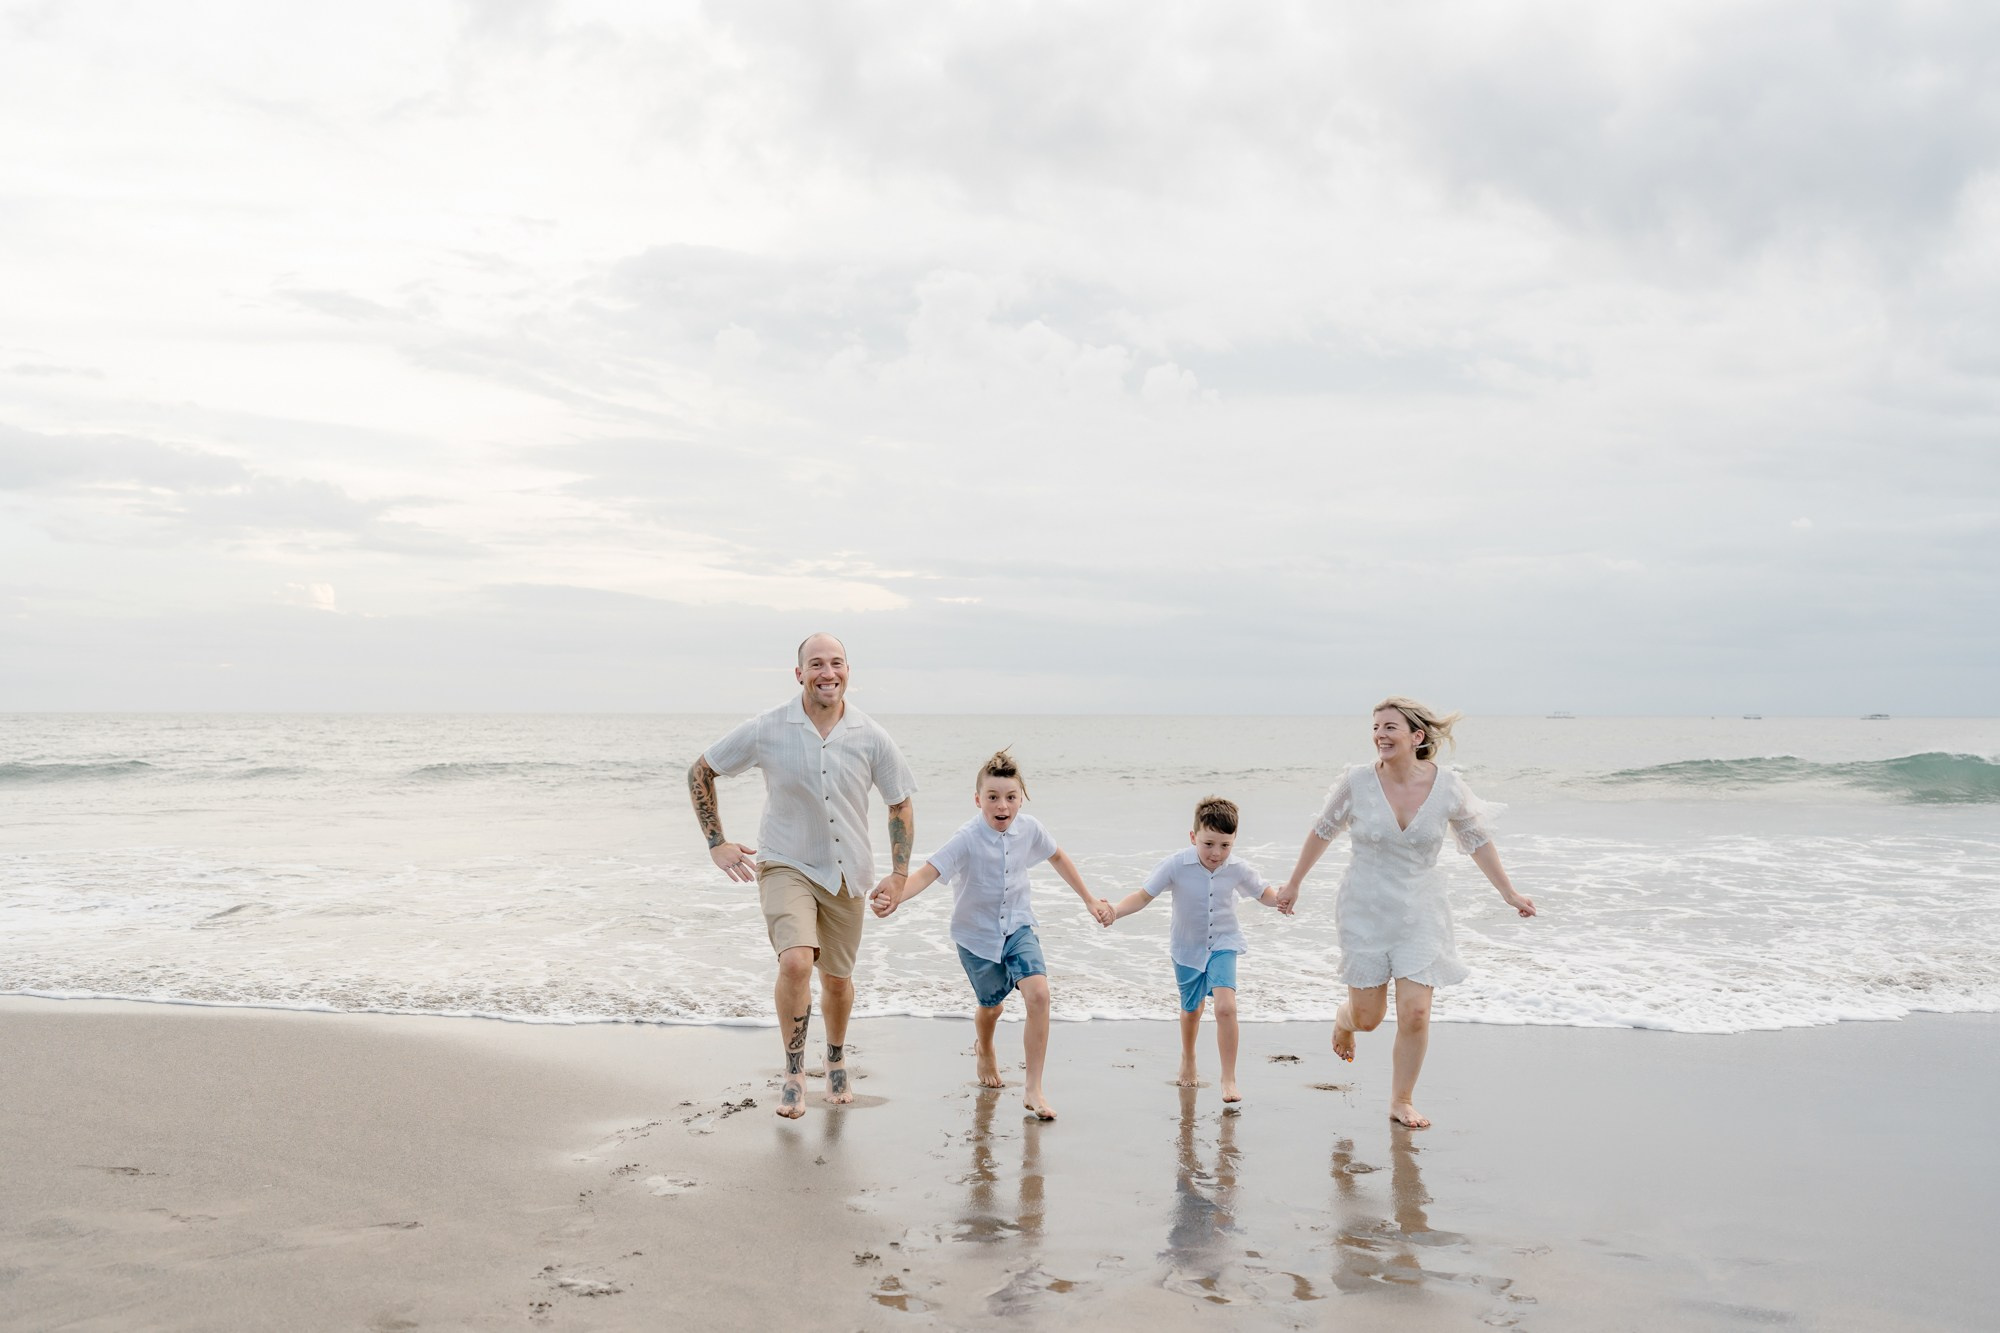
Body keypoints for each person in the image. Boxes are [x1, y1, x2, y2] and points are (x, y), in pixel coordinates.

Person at [1273, 697, 1536, 1128]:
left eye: (1390, 727)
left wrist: (1508, 892)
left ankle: (1401, 1099)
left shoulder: (1447, 785)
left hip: (1421, 911)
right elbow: (1322, 830)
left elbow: (1476, 840)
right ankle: (1344, 1020)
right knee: (1369, 1018)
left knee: (1415, 1011)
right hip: (1364, 909)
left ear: (1416, 737)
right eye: (1376, 727)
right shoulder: (1356, 781)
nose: (1379, 734)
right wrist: (1295, 883)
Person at [686, 633, 916, 1119]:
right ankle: (793, 1071)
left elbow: (899, 801)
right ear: (799, 674)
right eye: (816, 664)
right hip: (784, 862)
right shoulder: (769, 727)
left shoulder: (871, 735)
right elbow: (701, 771)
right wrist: (716, 842)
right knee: (795, 962)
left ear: (848, 672)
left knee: (836, 980)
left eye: (836, 663)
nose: (826, 672)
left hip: (847, 873)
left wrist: (899, 874)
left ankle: (834, 1058)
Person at [872, 749, 1114, 1120]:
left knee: (1039, 995)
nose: (1002, 805)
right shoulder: (966, 838)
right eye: (993, 797)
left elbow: (1058, 857)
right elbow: (927, 873)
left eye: (1011, 797)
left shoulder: (1030, 828)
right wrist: (896, 898)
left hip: (1018, 927)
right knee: (992, 1007)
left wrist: (1088, 899)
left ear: (1021, 798)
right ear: (978, 800)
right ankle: (984, 1047)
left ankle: (1033, 1089)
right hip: (976, 936)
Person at [1109, 797, 1281, 1103]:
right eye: (1209, 844)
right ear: (1193, 837)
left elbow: (1265, 894)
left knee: (1226, 1007)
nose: (1217, 853)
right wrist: (1115, 912)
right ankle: (1188, 1057)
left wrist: (1282, 899)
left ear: (1234, 842)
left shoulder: (1238, 869)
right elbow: (1142, 896)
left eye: (1225, 845)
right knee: (1192, 1009)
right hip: (1187, 948)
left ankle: (1228, 1078)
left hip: (1224, 943)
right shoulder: (1176, 864)